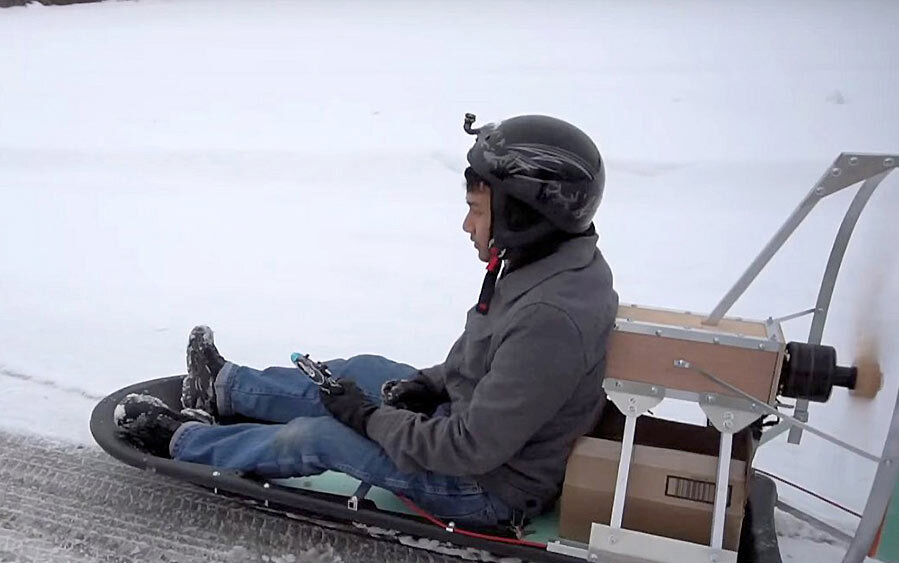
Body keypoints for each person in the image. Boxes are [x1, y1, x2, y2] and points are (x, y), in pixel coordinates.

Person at [115, 114, 619, 527]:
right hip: (478, 436)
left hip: (485, 487)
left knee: (324, 434)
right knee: (364, 371)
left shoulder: (549, 318)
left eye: (477, 211)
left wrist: (368, 419)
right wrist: (426, 385)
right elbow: (483, 360)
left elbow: (469, 449)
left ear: (525, 214)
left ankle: (184, 443)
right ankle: (224, 389)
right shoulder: (547, 263)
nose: (467, 225)